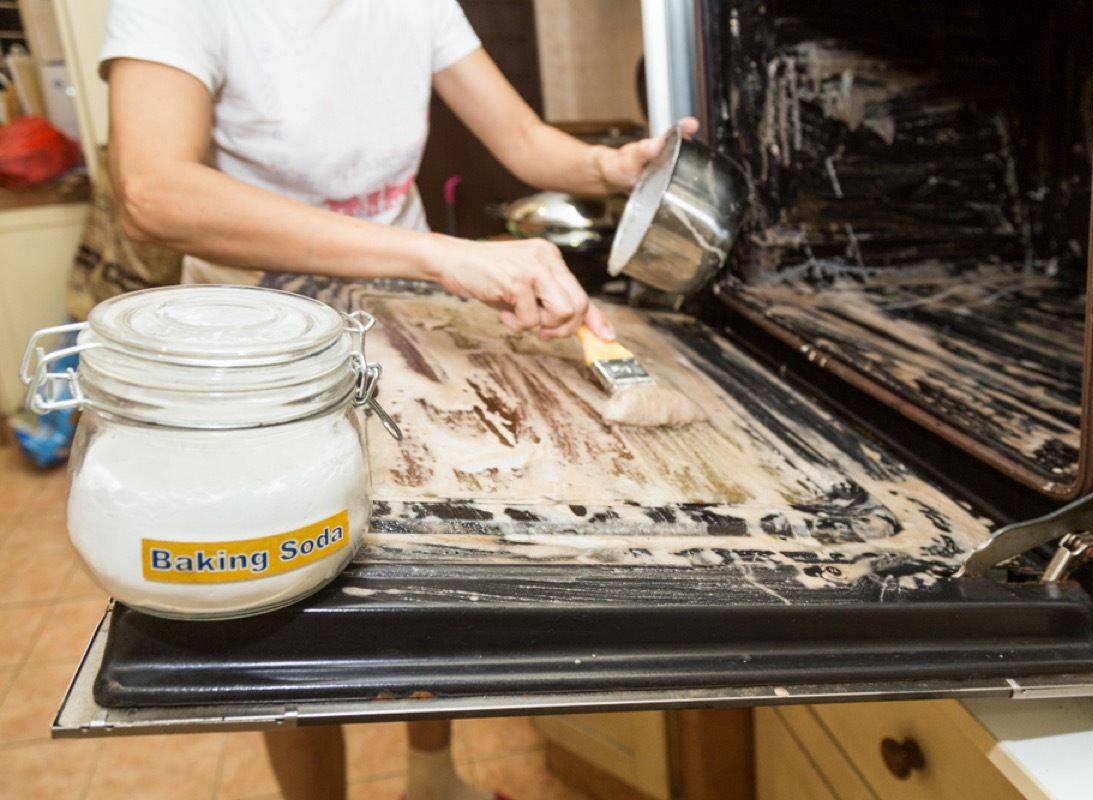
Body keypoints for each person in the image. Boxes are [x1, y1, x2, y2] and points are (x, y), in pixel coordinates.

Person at [98, 2, 697, 799]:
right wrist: (435, 254)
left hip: (394, 308)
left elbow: (519, 140)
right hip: (258, 345)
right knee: (290, 601)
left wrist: (611, 169)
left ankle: (431, 778)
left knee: (413, 561)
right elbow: (153, 191)